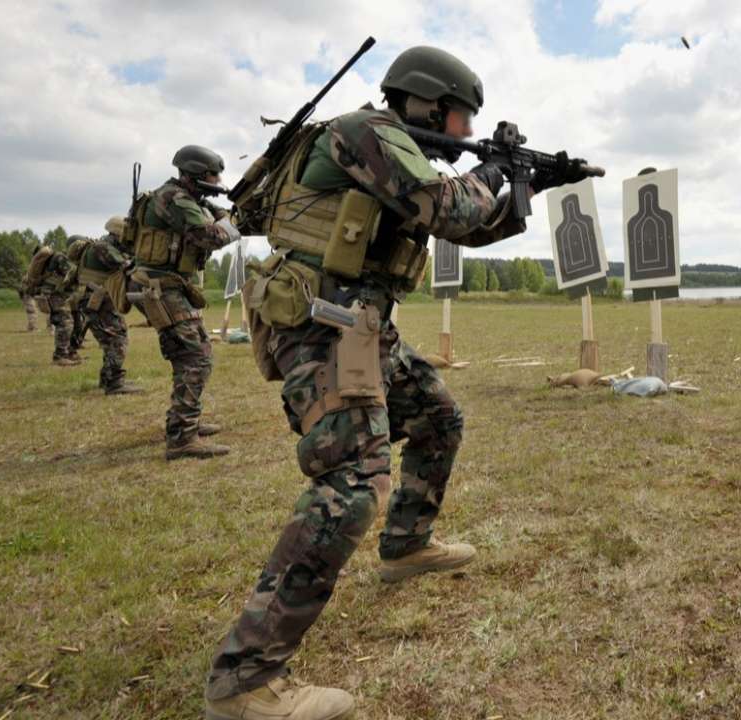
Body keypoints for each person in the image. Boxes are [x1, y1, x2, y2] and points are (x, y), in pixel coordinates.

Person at [204, 46, 586, 719]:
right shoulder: (366, 134)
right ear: (426, 101)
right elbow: (448, 207)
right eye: (459, 119)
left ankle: (407, 545)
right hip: (321, 325)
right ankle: (245, 679)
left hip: (359, 327)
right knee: (353, 479)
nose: (463, 136)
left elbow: (467, 230)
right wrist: (492, 169)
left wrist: (527, 185)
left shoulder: (395, 158)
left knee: (439, 417)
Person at [127, 146, 237, 460]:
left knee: (190, 356)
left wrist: (222, 214)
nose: (216, 181)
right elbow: (210, 237)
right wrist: (230, 223)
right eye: (211, 176)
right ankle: (182, 438)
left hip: (167, 287)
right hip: (163, 289)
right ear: (195, 175)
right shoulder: (175, 199)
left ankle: (186, 423)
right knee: (195, 358)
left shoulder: (177, 197)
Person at [69, 223, 143, 395]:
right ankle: (114, 383)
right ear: (118, 235)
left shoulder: (100, 247)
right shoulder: (103, 249)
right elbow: (128, 266)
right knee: (117, 339)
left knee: (112, 339)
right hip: (97, 301)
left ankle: (108, 378)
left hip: (97, 300)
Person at [25, 244, 81, 366]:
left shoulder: (50, 261)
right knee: (65, 323)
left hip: (49, 295)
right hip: (55, 295)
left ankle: (69, 353)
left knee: (64, 322)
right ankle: (60, 356)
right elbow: (72, 272)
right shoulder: (59, 257)